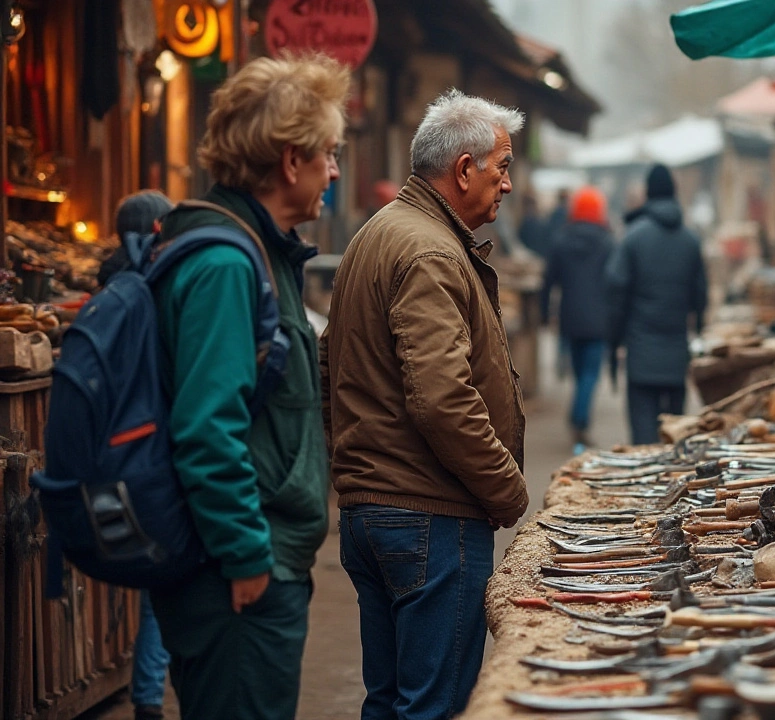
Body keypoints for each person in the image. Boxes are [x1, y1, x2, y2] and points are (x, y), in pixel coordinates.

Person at [146, 54, 348, 720]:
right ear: (291, 160)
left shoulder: (255, 249)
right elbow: (206, 427)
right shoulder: (226, 263)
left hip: (252, 563)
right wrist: (245, 557)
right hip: (235, 576)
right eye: (328, 154)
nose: (336, 171)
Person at [321, 88, 530, 720]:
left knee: (390, 702)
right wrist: (507, 489)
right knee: (432, 707)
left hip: (377, 511)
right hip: (428, 516)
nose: (509, 185)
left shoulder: (378, 234)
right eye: (501, 168)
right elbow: (442, 399)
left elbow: (330, 365)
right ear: (464, 170)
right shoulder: (431, 250)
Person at [109, 191, 176, 720]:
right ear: (157, 228)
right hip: (154, 446)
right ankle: (150, 695)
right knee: (162, 578)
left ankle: (145, 687)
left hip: (112, 452)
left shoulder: (109, 285)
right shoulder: (157, 281)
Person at [606, 164, 708, 445]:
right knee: (674, 439)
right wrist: (696, 332)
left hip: (641, 355)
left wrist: (615, 343)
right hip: (676, 354)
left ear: (649, 193)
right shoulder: (691, 241)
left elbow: (616, 293)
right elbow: (700, 297)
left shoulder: (633, 238)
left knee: (644, 442)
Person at [540, 186, 615, 454]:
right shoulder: (607, 242)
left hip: (570, 317)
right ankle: (579, 421)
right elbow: (614, 283)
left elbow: (548, 281)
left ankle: (577, 419)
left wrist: (544, 312)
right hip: (598, 318)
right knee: (590, 375)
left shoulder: (561, 240)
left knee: (579, 371)